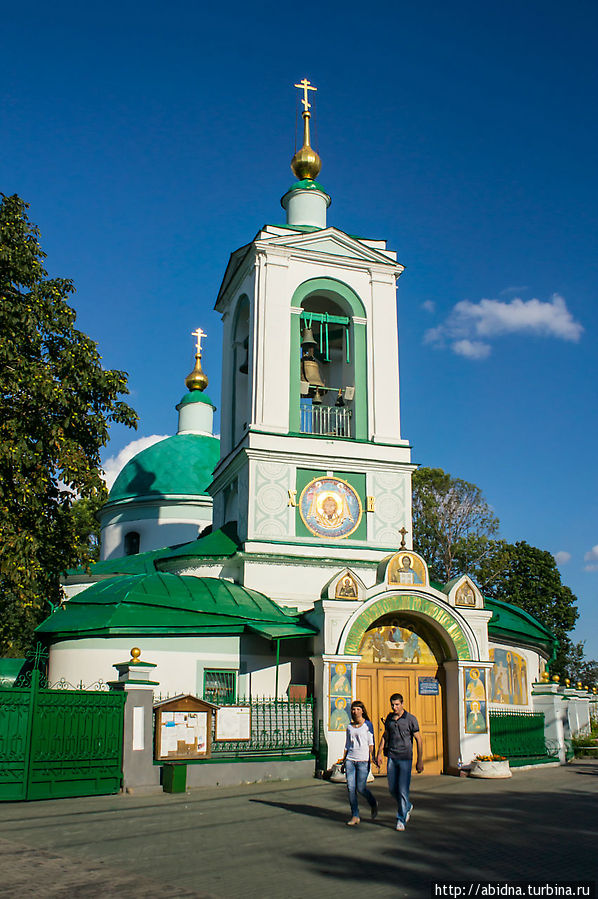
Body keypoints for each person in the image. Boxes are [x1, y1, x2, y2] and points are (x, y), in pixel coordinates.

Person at [376, 693, 423, 831]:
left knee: (402, 789)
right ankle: (407, 806)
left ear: (402, 704)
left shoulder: (410, 719)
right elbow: (385, 735)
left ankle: (401, 819)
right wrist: (379, 752)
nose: (394, 707)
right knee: (392, 789)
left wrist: (419, 760)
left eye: (397, 704)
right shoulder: (390, 718)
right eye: (392, 705)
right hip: (392, 756)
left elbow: (419, 740)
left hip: (405, 758)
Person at [341, 701, 378, 826]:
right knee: (351, 788)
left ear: (362, 711)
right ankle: (355, 815)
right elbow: (347, 744)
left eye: (357, 709)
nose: (355, 711)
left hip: (363, 761)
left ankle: (373, 802)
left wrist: (373, 756)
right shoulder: (349, 727)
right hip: (350, 760)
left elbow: (371, 742)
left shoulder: (368, 725)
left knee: (360, 788)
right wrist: (343, 760)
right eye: (353, 709)